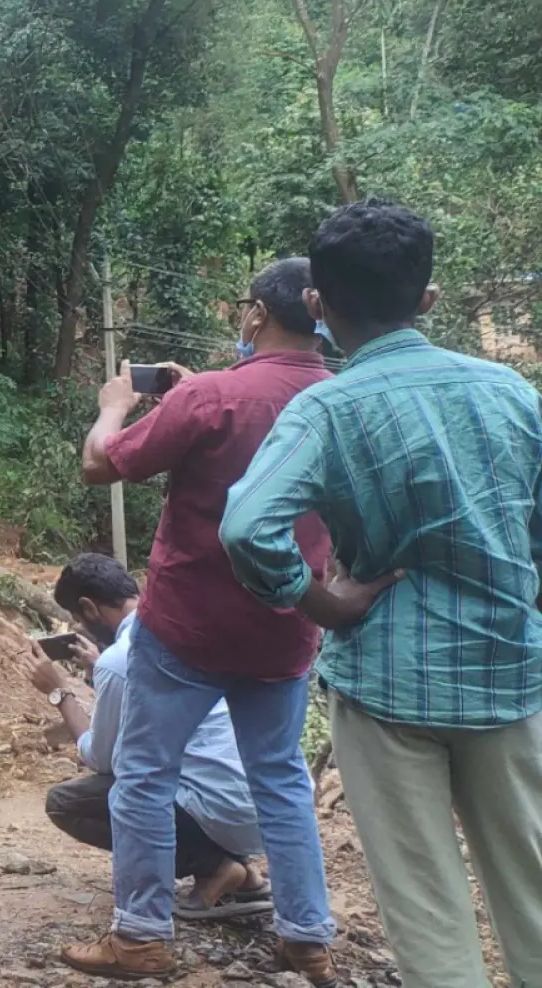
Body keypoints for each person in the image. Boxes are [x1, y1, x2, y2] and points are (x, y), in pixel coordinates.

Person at [223, 201, 542, 987]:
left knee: (426, 908)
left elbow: (244, 528)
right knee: (533, 893)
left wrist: (324, 604)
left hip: (387, 685)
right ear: (427, 299)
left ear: (317, 307)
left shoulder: (326, 408)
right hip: (508, 675)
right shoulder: (510, 392)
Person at [64, 257, 341, 983]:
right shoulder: (342, 402)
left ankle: (140, 937)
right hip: (285, 625)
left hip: (186, 625)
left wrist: (115, 405)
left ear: (254, 315)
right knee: (279, 779)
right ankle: (307, 937)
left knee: (144, 777)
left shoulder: (212, 396)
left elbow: (101, 465)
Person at [23, 555, 272, 922]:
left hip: (214, 807)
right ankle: (244, 873)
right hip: (260, 807)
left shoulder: (120, 659)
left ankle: (216, 866)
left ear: (89, 608)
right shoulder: (185, 628)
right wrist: (101, 664)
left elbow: (99, 758)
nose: (81, 627)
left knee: (66, 802)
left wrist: (59, 690)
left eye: (78, 618)